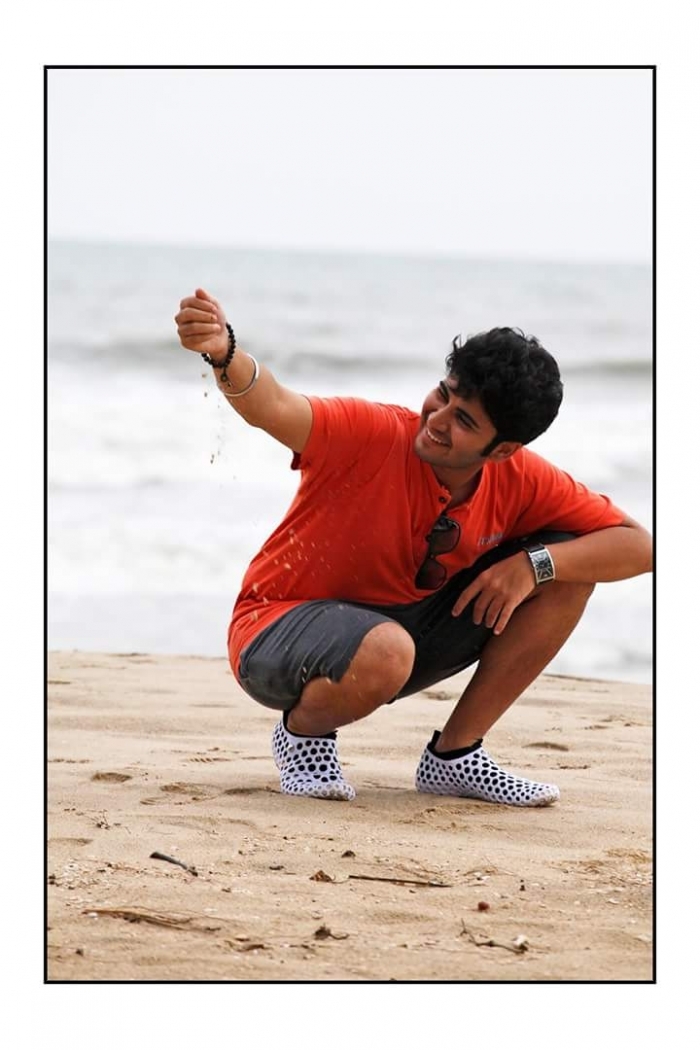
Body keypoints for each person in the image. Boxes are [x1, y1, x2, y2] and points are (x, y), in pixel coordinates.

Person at [174, 287, 652, 808]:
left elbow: (640, 546)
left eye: (464, 420)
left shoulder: (522, 479)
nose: (438, 419)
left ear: (504, 450)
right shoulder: (372, 433)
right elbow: (273, 405)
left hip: (399, 638)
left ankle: (454, 757)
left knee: (565, 574)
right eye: (444, 394)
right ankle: (303, 736)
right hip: (275, 632)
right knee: (388, 650)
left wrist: (532, 565)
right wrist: (225, 352)